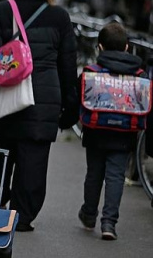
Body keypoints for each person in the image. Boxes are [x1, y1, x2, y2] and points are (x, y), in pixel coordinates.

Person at [0, 0, 78, 232]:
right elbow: (68, 64)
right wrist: (70, 106)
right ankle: (22, 216)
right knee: (34, 159)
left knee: (4, 151)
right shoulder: (59, 17)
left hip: (8, 95)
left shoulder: (3, 10)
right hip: (44, 98)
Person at [77, 23, 147, 241]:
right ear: (127, 47)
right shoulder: (140, 75)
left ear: (99, 47)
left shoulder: (91, 73)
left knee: (94, 174)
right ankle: (109, 223)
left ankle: (89, 215)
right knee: (116, 176)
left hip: (95, 130)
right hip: (125, 132)